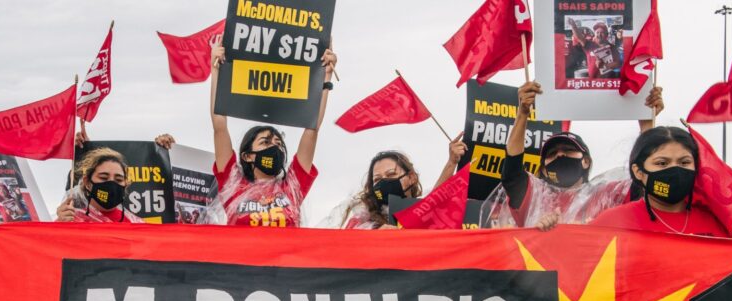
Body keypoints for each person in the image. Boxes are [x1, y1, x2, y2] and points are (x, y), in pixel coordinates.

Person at [486, 80, 665, 228]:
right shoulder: (533, 195)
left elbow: (645, 181)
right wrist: (523, 113)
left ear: (586, 161)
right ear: (544, 169)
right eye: (552, 153)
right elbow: (512, 173)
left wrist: (647, 126)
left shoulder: (608, 194)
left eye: (569, 150)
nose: (560, 155)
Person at [207, 39, 337, 227]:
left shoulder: (292, 187)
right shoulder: (233, 185)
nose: (274, 147)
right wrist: (216, 69)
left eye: (278, 143)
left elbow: (312, 129)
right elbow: (219, 126)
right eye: (265, 142)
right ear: (248, 156)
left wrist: (325, 77)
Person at [589, 126, 730, 237]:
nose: (675, 170)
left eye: (684, 162)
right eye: (662, 163)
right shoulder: (611, 223)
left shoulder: (714, 224)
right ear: (638, 172)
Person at [334, 135, 468, 230]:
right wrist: (375, 237)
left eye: (391, 174)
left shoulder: (423, 206)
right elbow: (349, 246)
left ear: (411, 178)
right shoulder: (361, 221)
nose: (384, 182)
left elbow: (434, 200)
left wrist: (452, 162)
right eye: (377, 179)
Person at [55, 147, 144, 224]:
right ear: (87, 182)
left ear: (125, 184)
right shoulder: (71, 220)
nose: (111, 183)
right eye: (103, 178)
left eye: (119, 179)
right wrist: (59, 225)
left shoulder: (135, 224)